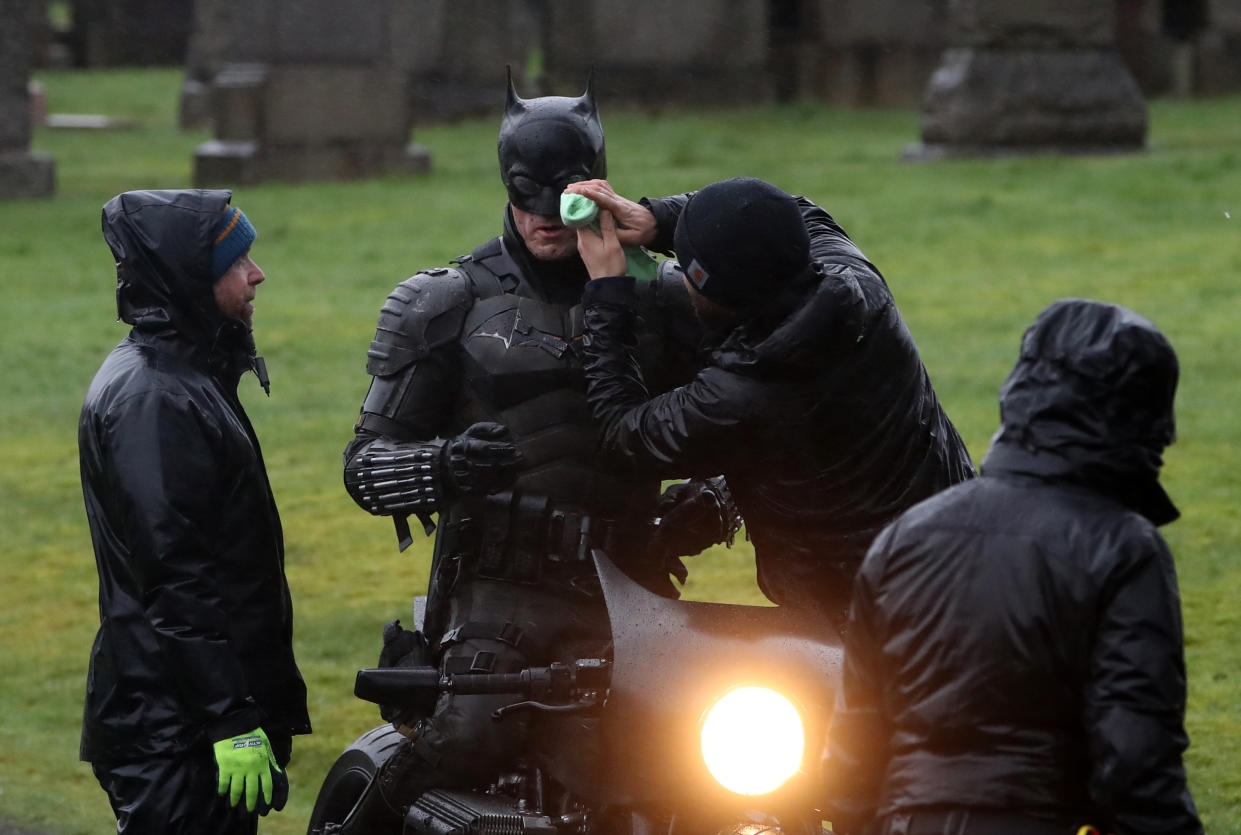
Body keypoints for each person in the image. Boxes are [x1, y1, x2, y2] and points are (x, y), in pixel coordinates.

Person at [336, 73, 714, 832]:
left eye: (564, 197)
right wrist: (440, 466)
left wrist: (711, 497)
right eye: (527, 196)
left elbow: (736, 419)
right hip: (498, 592)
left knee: (699, 764)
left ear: (597, 186)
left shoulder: (664, 300)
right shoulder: (445, 302)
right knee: (466, 738)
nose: (545, 218)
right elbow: (364, 465)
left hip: (634, 584)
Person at [824, 298, 1203, 835]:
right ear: (1142, 418)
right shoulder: (1121, 548)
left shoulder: (905, 538)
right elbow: (1137, 761)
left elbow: (851, 759)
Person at [569, 176, 976, 625]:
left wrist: (608, 294)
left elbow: (622, 434)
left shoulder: (744, 394)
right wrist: (659, 219)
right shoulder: (856, 283)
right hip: (960, 553)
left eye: (687, 267)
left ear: (714, 294)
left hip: (856, 614)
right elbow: (796, 210)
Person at [78, 189, 311, 834]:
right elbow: (174, 576)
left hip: (183, 717)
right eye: (240, 261)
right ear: (192, 277)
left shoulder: (186, 376)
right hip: (172, 730)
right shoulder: (155, 401)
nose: (258, 273)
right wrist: (230, 719)